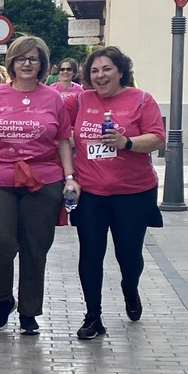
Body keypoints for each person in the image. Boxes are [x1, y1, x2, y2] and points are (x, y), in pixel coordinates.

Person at [0, 36, 77, 336]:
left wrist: (70, 177)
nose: (26, 63)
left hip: (44, 180)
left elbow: (63, 140)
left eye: (33, 59)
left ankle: (29, 311)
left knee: (35, 248)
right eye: (21, 58)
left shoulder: (53, 100)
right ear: (11, 62)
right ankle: (3, 297)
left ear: (42, 65)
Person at [67, 47, 165, 339]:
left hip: (133, 193)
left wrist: (126, 142)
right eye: (95, 71)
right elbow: (58, 126)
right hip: (92, 193)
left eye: (107, 69)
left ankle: (130, 288)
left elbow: (158, 138)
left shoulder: (142, 100)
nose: (100, 76)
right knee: (90, 255)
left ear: (121, 71)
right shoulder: (80, 100)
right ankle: (93, 317)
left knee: (129, 255)